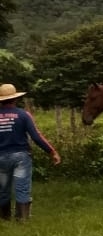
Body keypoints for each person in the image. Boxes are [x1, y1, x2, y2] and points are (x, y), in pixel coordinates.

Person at [0, 83, 61, 222]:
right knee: (22, 188)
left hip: (1, 158)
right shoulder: (23, 115)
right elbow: (36, 136)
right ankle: (22, 219)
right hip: (21, 157)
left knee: (3, 189)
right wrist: (52, 152)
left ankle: (4, 219)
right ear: (15, 99)